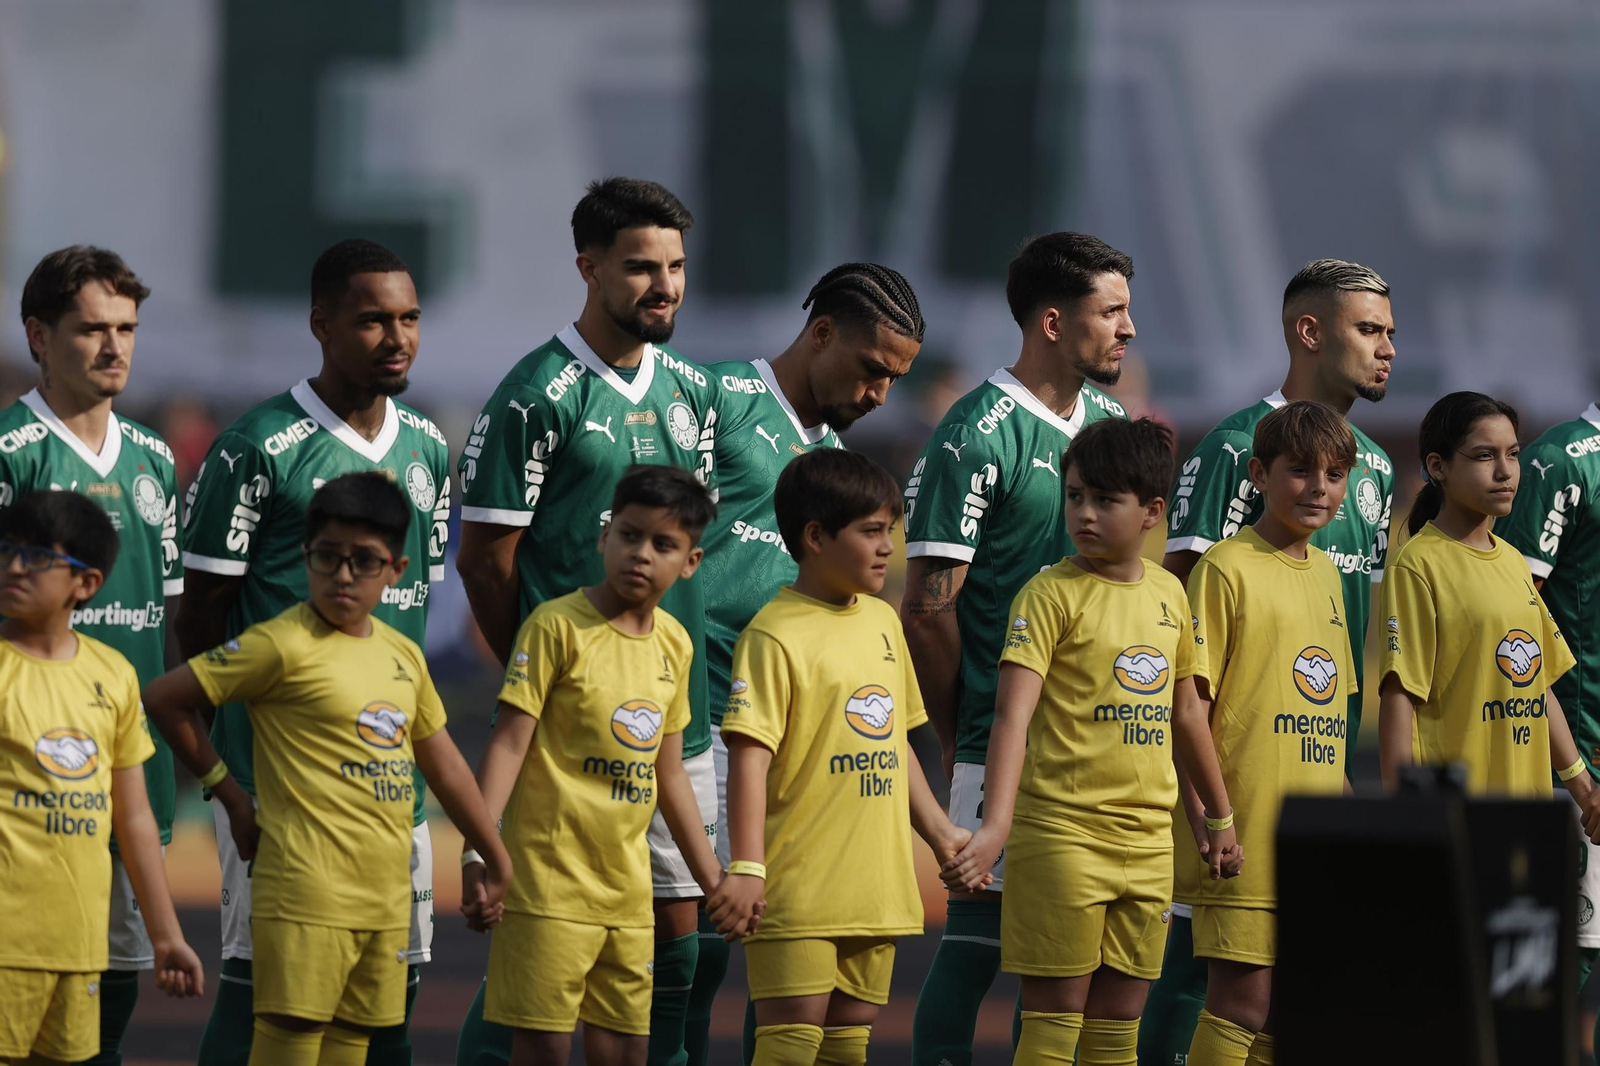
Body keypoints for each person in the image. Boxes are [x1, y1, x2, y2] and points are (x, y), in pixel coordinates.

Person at [453, 177, 721, 1066]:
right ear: (589, 267)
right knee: (543, 961)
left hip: (670, 704)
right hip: (565, 728)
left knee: (668, 945)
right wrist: (543, 665)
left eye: (676, 267)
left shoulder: (690, 388)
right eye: (642, 267)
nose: (665, 286)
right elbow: (487, 559)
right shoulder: (536, 392)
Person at [177, 239, 453, 1066]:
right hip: (282, 785)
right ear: (321, 324)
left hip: (385, 777)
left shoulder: (428, 449)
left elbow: (410, 609)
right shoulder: (258, 445)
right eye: (372, 320)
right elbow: (202, 619)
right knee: (262, 991)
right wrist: (233, 773)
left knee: (390, 992)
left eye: (408, 318)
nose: (396, 337)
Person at [146, 473, 509, 1066]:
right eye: (328, 557)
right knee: (287, 1042)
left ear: (397, 569)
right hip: (302, 897)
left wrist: (494, 854)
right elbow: (164, 696)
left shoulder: (403, 656)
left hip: (385, 901)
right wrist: (230, 796)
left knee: (355, 1049)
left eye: (364, 561)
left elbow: (444, 766)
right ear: (304, 557)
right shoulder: (279, 644)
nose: (343, 574)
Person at [1143, 259, 1396, 1066]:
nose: (1387, 348)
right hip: (1230, 766)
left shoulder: (1377, 470)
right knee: (1201, 978)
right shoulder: (1232, 447)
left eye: (1391, 332)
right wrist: (1193, 784)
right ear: (1309, 332)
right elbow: (1176, 613)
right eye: (1369, 330)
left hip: (1317, 761)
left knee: (1297, 989)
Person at [942, 417, 1242, 1065]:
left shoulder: (1169, 594)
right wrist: (995, 827)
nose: (1084, 513)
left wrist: (1214, 817)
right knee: (1052, 1029)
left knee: (1116, 1036)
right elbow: (1011, 720)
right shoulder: (1048, 594)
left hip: (1147, 846)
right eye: (1076, 495)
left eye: (1106, 500)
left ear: (1152, 512)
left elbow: (1186, 717)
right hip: (1062, 838)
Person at [902, 232, 1132, 1066]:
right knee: (979, 949)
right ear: (1050, 320)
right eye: (1111, 312)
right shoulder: (974, 433)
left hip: (1104, 745)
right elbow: (928, 609)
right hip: (1000, 738)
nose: (1128, 329)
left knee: (1089, 967)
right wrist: (973, 725)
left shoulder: (1112, 425)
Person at [691, 262, 924, 1063]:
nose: (879, 395)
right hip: (691, 717)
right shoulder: (713, 396)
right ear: (821, 333)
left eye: (896, 381)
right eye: (871, 370)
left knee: (784, 960)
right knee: (683, 955)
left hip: (797, 728)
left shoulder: (833, 461)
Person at [708, 448, 979, 1066]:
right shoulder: (774, 634)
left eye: (893, 531)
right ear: (814, 537)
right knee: (790, 1044)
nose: (890, 548)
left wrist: (942, 836)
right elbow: (749, 758)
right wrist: (748, 867)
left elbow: (896, 746)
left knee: (847, 1047)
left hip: (875, 888)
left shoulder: (884, 622)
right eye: (872, 532)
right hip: (799, 891)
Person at [468, 466, 731, 1066]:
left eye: (663, 545)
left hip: (628, 896)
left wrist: (713, 881)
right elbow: (508, 745)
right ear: (604, 536)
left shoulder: (676, 645)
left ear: (690, 563)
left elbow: (668, 775)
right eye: (630, 535)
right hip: (546, 889)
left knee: (624, 1052)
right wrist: (477, 852)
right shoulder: (555, 626)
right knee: (543, 1051)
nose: (641, 554)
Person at [7, 246, 185, 1064]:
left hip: (126, 752)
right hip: (29, 762)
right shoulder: (11, 452)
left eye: (127, 329)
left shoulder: (152, 457)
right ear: (40, 336)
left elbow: (170, 609)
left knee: (114, 966)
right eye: (91, 330)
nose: (114, 346)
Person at [1174, 401, 1358, 1066]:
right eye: (1300, 470)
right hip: (1245, 829)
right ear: (1258, 472)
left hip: (1310, 835)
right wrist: (1212, 817)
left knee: (1290, 1009)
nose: (1319, 488)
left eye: (1335, 474)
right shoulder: (1225, 567)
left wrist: (1351, 817)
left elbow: (1328, 717)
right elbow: (1188, 707)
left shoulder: (1333, 577)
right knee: (1241, 1003)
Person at [0, 491, 203, 1063]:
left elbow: (133, 817)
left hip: (79, 945)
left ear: (85, 585)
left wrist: (166, 935)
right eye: (7, 550)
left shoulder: (113, 676)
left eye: (37, 557)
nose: (14, 567)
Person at [1380, 392, 1600, 798]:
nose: (1505, 472)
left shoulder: (1515, 561)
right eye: (1484, 456)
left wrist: (1583, 784)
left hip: (1528, 811)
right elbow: (1400, 695)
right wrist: (1402, 817)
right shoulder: (1418, 563)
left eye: (1513, 454)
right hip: (1457, 813)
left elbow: (1539, 685)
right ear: (1437, 466)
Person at [1499, 392, 1600, 1042]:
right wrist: (1577, 771)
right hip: (1585, 759)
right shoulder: (1563, 461)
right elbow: (1513, 630)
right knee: (1578, 969)